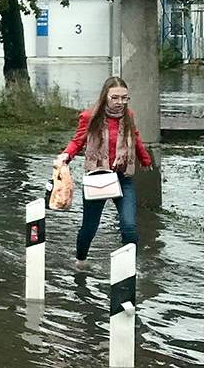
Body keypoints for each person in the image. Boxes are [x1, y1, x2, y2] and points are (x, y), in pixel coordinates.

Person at [53, 76, 152, 271]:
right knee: (90, 228)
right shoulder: (90, 116)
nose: (120, 103)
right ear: (105, 96)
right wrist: (66, 155)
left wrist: (145, 159)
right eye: (115, 98)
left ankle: (129, 269)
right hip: (98, 176)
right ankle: (80, 261)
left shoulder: (128, 116)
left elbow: (135, 137)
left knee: (129, 226)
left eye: (124, 98)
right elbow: (78, 141)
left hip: (123, 176)